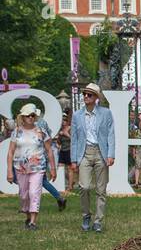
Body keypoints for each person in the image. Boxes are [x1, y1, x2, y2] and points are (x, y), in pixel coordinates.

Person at [71, 82, 115, 233]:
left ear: (96, 97)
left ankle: (98, 221)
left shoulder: (106, 113)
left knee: (101, 190)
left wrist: (111, 154)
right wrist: (73, 159)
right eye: (84, 94)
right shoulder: (77, 115)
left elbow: (111, 134)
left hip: (100, 153)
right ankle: (86, 216)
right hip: (84, 153)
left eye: (89, 94)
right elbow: (74, 138)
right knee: (84, 186)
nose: (85, 96)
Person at [7, 103, 55, 230]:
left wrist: (53, 168)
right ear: (22, 117)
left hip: (38, 168)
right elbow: (11, 152)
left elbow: (49, 150)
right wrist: (9, 171)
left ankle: (33, 222)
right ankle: (28, 216)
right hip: (20, 168)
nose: (30, 117)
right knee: (24, 195)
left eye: (33, 115)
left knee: (34, 193)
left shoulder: (41, 131)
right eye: (28, 115)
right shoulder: (16, 132)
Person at [33, 110, 67, 211]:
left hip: (35, 156)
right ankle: (59, 198)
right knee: (42, 181)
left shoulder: (31, 124)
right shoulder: (43, 122)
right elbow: (49, 136)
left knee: (33, 181)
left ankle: (30, 206)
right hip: (43, 154)